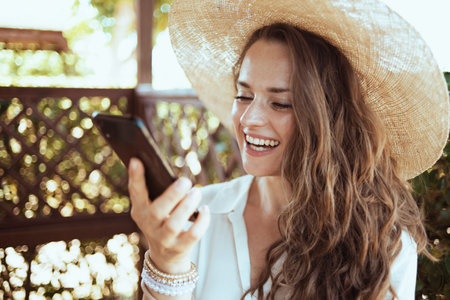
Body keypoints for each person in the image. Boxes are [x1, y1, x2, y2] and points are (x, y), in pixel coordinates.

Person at [128, 1, 449, 299]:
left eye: (280, 102)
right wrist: (166, 265)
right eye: (243, 95)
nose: (249, 119)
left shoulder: (382, 242)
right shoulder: (198, 218)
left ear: (331, 118)